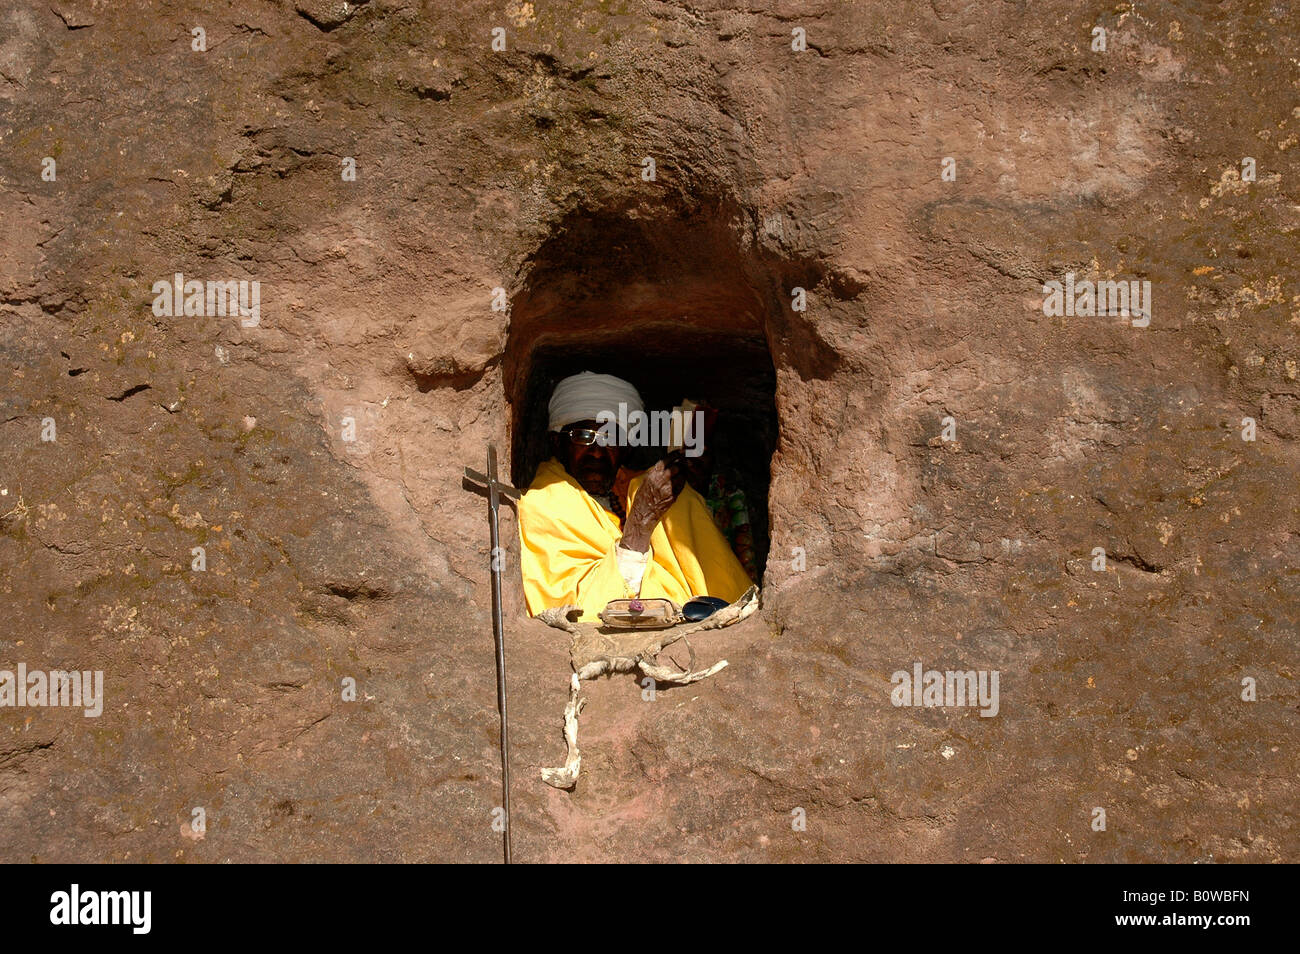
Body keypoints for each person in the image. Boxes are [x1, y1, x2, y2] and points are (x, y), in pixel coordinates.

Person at [517, 371, 752, 622]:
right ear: (556, 442)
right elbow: (582, 613)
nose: (597, 452)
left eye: (611, 437)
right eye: (583, 436)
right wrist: (639, 524)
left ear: (626, 447)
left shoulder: (646, 487)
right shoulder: (542, 505)